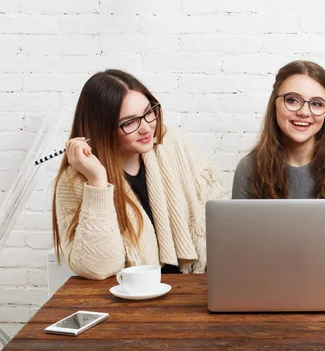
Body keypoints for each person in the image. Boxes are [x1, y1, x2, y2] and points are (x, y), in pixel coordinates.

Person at [52, 69, 226, 280]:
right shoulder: (76, 181)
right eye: (129, 122)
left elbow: (223, 220)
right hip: (128, 299)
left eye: (149, 111)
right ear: (101, 129)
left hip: (190, 289)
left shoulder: (173, 145)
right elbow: (98, 268)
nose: (146, 128)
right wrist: (97, 182)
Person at [232, 60, 325, 199]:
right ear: (274, 104)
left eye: (316, 103)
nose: (304, 112)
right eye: (292, 100)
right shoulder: (249, 168)